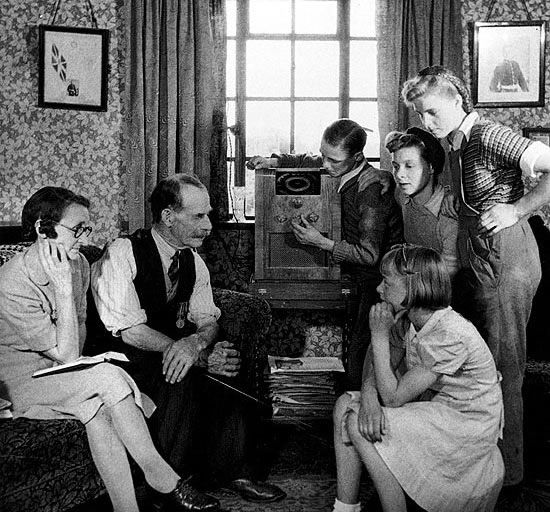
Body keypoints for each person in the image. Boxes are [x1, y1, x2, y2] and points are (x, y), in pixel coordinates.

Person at [0, 186, 220, 512]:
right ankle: (161, 476)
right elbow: (68, 355)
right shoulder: (11, 281)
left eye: (87, 228)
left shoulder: (78, 264)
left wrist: (66, 286)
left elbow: (75, 342)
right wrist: (62, 289)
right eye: (77, 229)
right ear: (42, 230)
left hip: (59, 371)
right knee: (107, 375)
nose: (84, 238)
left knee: (99, 410)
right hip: (18, 381)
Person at [90, 174, 286, 504]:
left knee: (229, 365)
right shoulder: (122, 253)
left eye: (208, 215)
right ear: (168, 216)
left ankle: (235, 471)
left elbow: (207, 320)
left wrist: (199, 345)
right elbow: (129, 330)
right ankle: (167, 487)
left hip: (169, 353)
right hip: (120, 361)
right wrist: (187, 352)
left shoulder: (193, 260)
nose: (208, 226)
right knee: (176, 372)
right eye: (198, 216)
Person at [401, 65, 550, 493]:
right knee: (484, 365)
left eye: (432, 111)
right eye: (421, 115)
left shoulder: (487, 134)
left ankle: (508, 476)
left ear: (456, 99)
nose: (427, 121)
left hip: (508, 256)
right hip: (483, 257)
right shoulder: (457, 144)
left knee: (504, 367)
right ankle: (482, 466)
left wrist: (516, 209)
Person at [332, 244, 504, 512]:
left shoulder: (450, 333)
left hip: (466, 423)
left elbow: (393, 398)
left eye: (387, 282)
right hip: (438, 411)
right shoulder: (408, 318)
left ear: (413, 287)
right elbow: (379, 366)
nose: (379, 288)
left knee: (356, 423)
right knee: (345, 404)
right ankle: (344, 508)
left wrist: (378, 335)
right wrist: (368, 396)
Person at [248, 119, 403, 389]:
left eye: (334, 161)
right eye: (324, 156)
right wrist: (274, 162)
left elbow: (369, 255)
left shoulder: (371, 188)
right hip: (353, 275)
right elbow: (309, 160)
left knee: (360, 351)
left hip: (377, 282)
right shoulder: (339, 167)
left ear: (357, 158)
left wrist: (321, 243)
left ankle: (355, 402)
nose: (326, 165)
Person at [384, 127, 459, 280]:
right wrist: (382, 176)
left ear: (431, 167)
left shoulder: (448, 213)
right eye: (396, 166)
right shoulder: (403, 195)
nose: (399, 175)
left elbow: (449, 272)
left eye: (409, 166)